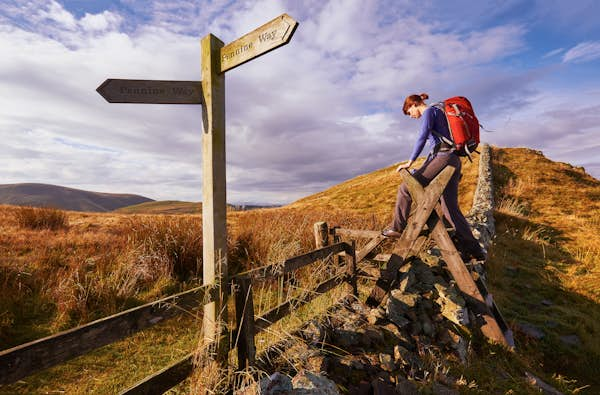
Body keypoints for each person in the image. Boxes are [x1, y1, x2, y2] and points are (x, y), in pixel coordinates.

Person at [382, 93, 486, 261]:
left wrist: (410, 163)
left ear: (414, 104)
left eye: (410, 112)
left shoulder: (429, 111)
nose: (412, 116)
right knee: (449, 208)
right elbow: (436, 146)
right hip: (453, 160)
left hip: (443, 158)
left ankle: (397, 227)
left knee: (405, 189)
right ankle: (474, 250)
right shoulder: (440, 111)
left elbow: (422, 137)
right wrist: (421, 169)